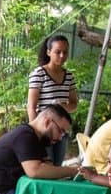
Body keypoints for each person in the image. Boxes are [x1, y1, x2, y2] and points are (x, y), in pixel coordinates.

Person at [0, 104, 79, 194]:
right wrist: (72, 171)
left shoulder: (37, 139)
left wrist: (65, 171)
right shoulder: (25, 136)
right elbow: (34, 171)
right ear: (48, 122)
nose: (60, 138)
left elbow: (48, 167)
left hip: (15, 193)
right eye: (60, 131)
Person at [27, 35, 78, 166]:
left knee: (57, 165)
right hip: (44, 130)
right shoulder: (39, 74)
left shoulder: (69, 76)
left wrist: (62, 108)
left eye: (65, 52)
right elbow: (31, 106)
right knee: (46, 165)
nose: (62, 56)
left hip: (62, 130)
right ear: (49, 52)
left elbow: (74, 104)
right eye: (58, 52)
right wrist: (34, 131)